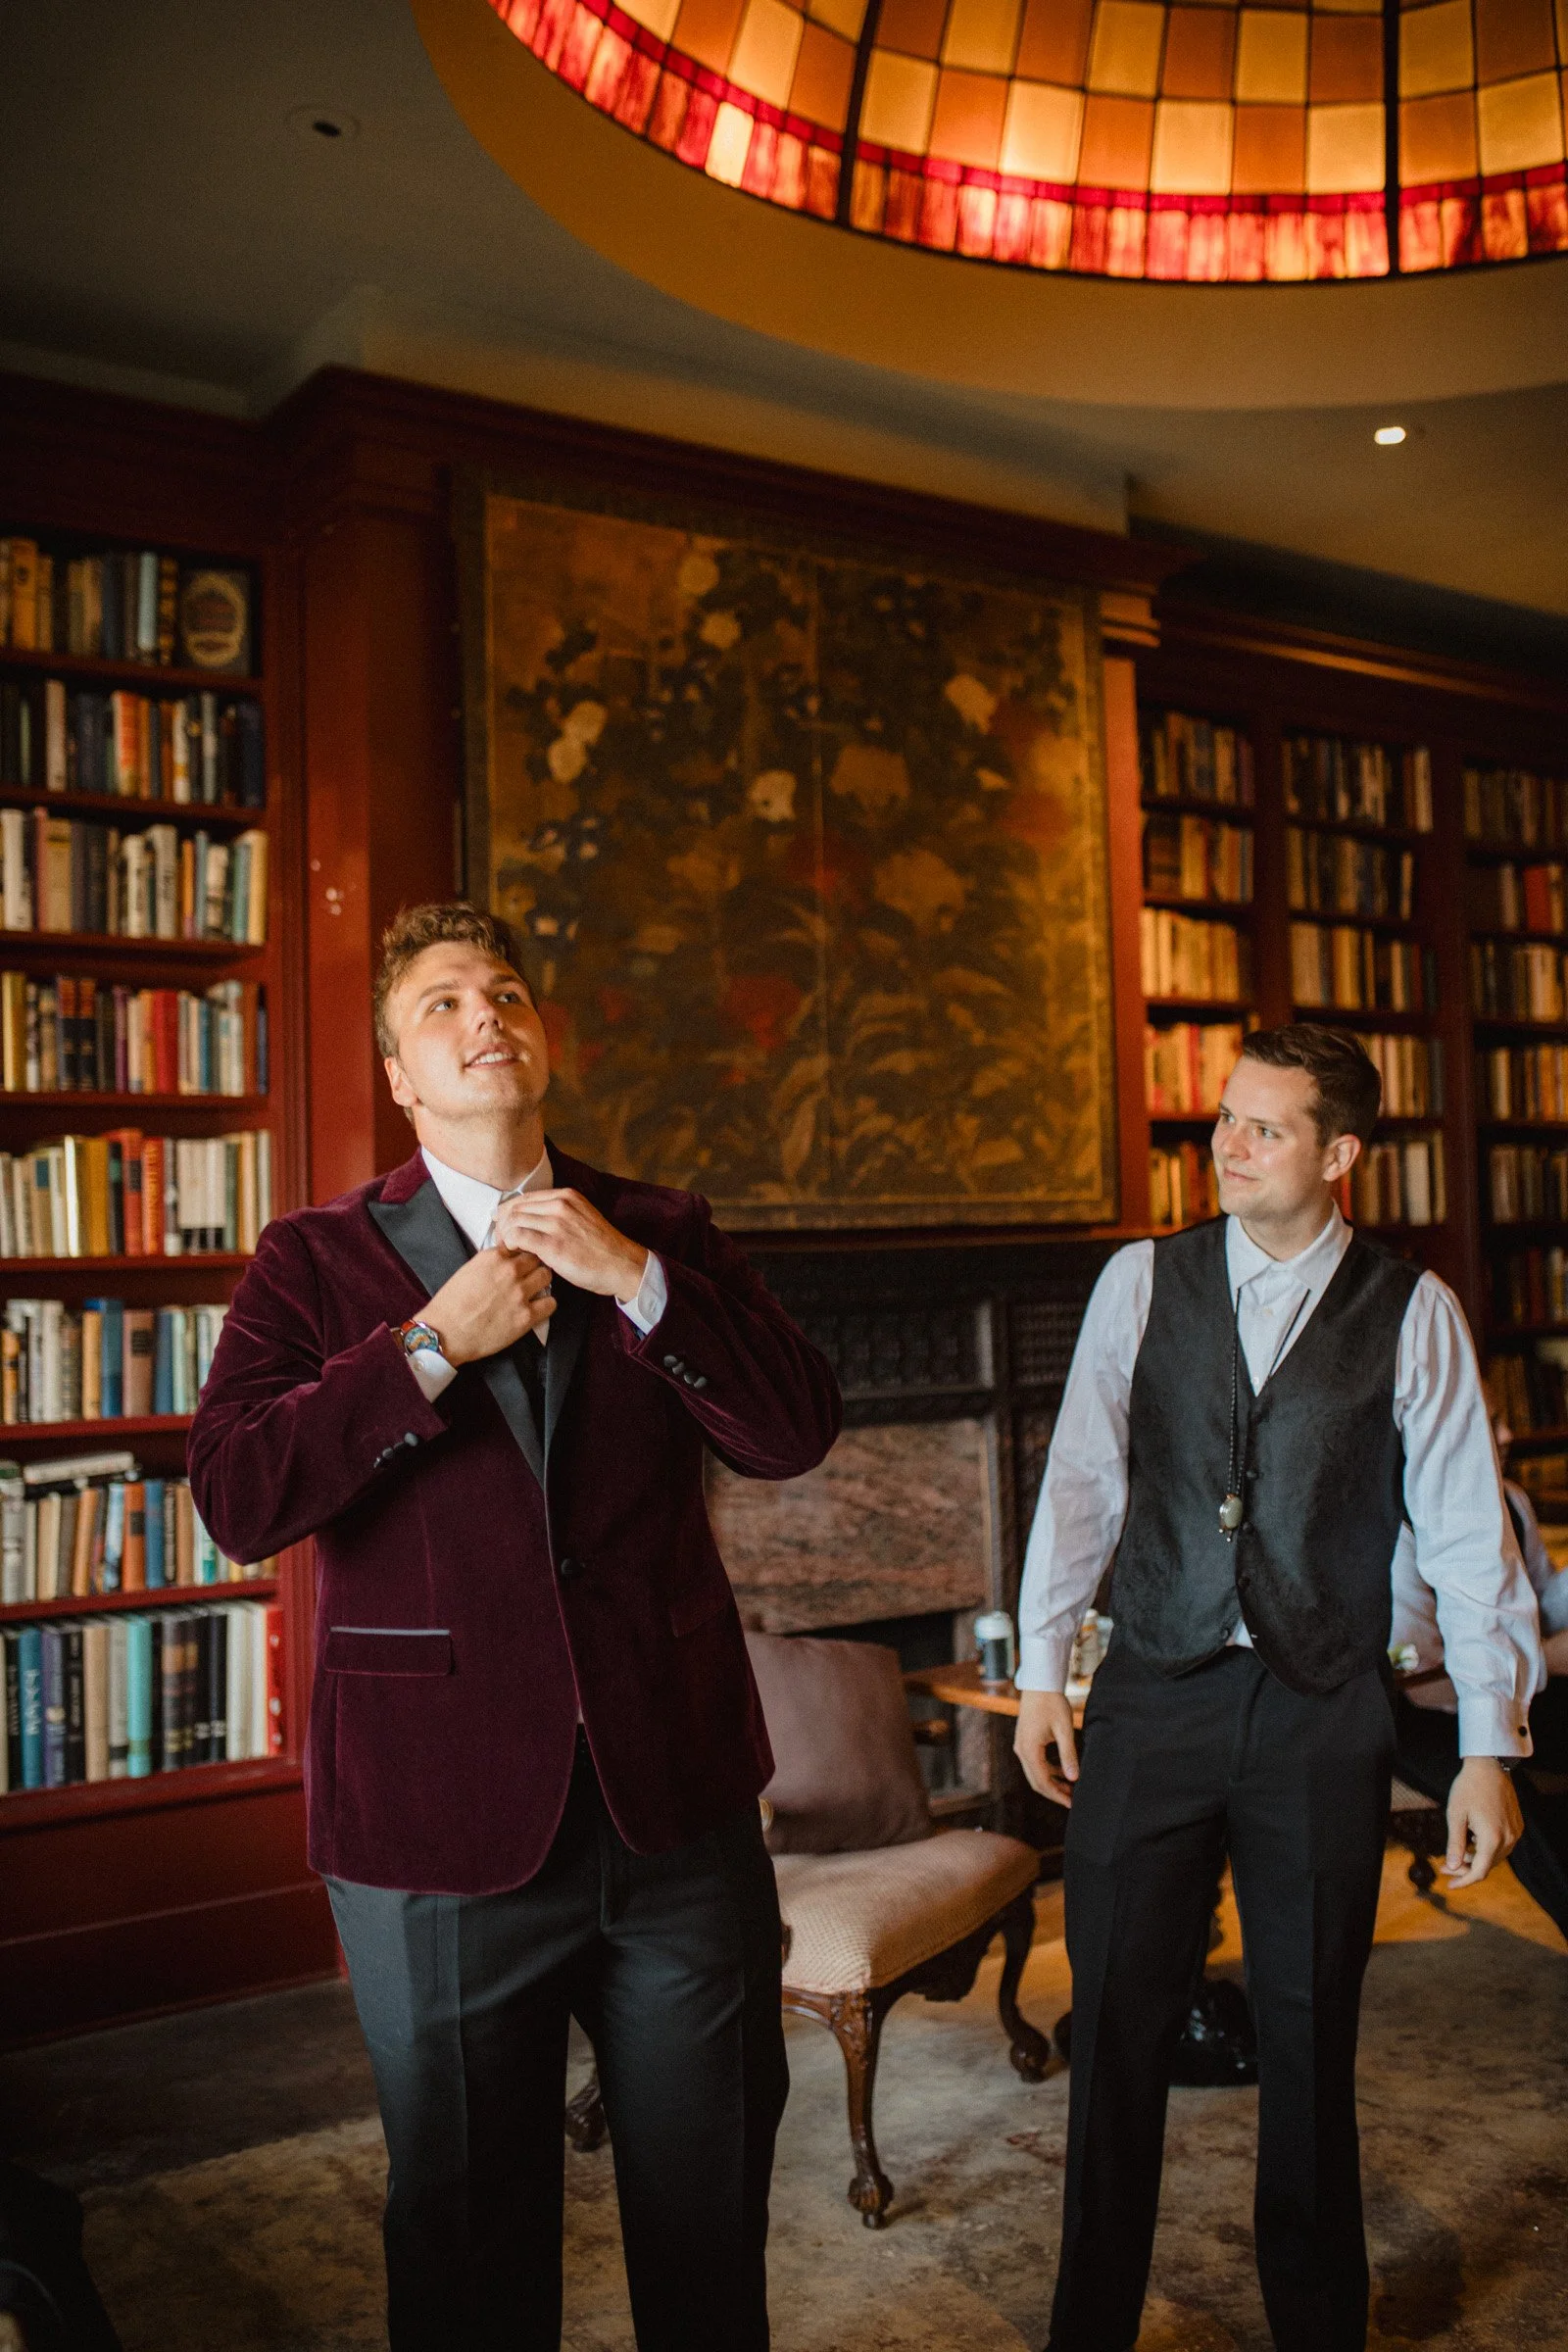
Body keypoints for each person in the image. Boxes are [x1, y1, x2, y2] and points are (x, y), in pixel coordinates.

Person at [189, 902, 842, 2352]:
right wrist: (430, 1346)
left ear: (542, 1040)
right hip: (436, 1837)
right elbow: (236, 1496)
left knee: (709, 2218)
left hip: (674, 1819)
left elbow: (794, 1431)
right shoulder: (311, 1262)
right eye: (442, 1005)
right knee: (469, 2240)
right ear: (402, 1077)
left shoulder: (660, 1230)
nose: (486, 1015)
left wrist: (640, 1284)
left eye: (507, 993)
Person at [1012, 1021, 1542, 2352]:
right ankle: (1091, 2324)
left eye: (1263, 1127)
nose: (1225, 1146)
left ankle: (1319, 2328)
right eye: (1224, 1119)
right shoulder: (1142, 1282)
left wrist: (1489, 1743)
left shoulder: (1412, 1312)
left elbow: (1472, 1534)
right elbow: (1081, 1481)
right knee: (1117, 2025)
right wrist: (1040, 1670)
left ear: (1340, 1154)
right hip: (1155, 1697)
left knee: (1311, 2037)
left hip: (1321, 1705)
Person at [1391, 1444, 1568, 1939]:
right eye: (1489, 1423)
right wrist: (1550, 1659)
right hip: (1414, 1714)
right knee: (1516, 1799)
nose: (1508, 1433)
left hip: (1518, 1691)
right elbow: (1415, 1682)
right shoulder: (1398, 1524)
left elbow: (1544, 1600)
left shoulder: (1509, 1497)